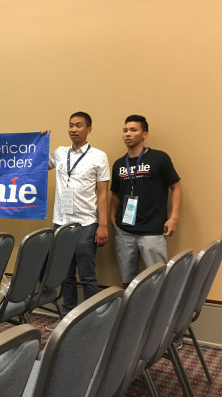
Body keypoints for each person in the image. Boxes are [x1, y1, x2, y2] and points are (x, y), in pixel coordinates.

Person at [47, 111, 110, 323]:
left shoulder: (98, 156)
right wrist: (39, 140)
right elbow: (36, 163)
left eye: (79, 125)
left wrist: (102, 225)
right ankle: (68, 317)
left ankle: (92, 319)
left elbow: (102, 194)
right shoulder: (59, 153)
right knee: (65, 275)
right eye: (71, 125)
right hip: (61, 223)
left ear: (89, 129)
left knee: (87, 274)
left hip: (86, 223)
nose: (74, 129)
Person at [110, 115, 182, 288]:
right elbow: (116, 195)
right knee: (127, 279)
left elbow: (176, 188)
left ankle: (158, 314)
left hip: (152, 230)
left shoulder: (159, 158)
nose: (128, 134)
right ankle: (131, 312)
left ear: (145, 134)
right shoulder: (119, 164)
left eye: (134, 130)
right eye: (125, 130)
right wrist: (113, 219)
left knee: (158, 279)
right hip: (125, 230)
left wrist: (174, 217)